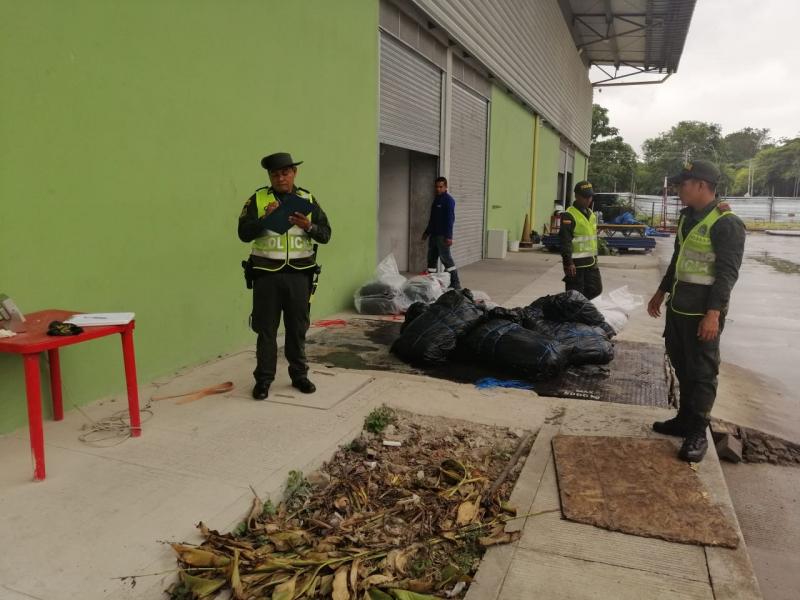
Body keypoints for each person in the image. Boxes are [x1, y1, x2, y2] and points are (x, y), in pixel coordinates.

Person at [647, 160, 745, 462]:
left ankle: (697, 433)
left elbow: (727, 273)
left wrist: (714, 313)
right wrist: (661, 291)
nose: (678, 189)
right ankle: (684, 420)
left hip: (703, 314)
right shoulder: (687, 217)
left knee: (702, 373)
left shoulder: (727, 223)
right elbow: (679, 259)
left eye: (683, 184)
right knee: (681, 365)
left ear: (701, 185)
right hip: (679, 309)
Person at [238, 152, 331, 400]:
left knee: (297, 328)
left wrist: (307, 226)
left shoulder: (307, 199)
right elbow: (243, 234)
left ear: (294, 173)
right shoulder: (257, 199)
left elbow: (326, 234)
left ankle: (299, 375)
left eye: (285, 172)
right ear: (270, 176)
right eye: (275, 174)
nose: (281, 177)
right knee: (266, 330)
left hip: (299, 275)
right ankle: (264, 380)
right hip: (266, 275)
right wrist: (264, 220)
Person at [559, 180, 602, 300]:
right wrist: (568, 263)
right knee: (574, 296)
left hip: (591, 262)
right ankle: (572, 312)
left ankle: (579, 308)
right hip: (576, 265)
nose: (589, 200)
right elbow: (565, 241)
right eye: (585, 197)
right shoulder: (569, 215)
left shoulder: (591, 214)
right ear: (577, 196)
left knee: (596, 289)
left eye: (590, 197)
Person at [422, 177, 461, 289]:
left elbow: (450, 220)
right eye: (436, 187)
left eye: (441, 187)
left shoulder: (448, 201)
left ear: (445, 187)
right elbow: (432, 219)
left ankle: (455, 283)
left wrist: (449, 237)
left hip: (442, 236)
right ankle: (431, 282)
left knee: (446, 259)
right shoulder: (436, 200)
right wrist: (427, 232)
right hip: (433, 236)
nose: (438, 189)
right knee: (431, 259)